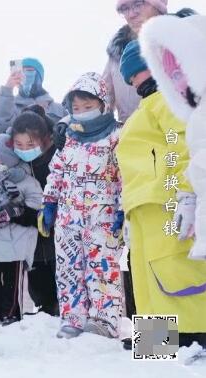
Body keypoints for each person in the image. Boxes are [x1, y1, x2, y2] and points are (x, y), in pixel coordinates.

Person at [129, 16, 206, 351]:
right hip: (140, 208)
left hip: (165, 203)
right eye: (130, 75)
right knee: (149, 285)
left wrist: (185, 196)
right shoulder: (146, 109)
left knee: (176, 278)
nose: (136, 80)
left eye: (140, 70)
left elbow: (184, 148)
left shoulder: (170, 104)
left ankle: (192, 340)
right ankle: (155, 346)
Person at [40, 72, 124, 339]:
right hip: (69, 216)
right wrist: (49, 203)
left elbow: (125, 174)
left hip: (102, 217)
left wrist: (123, 208)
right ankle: (73, 318)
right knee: (68, 270)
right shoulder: (69, 138)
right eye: (76, 108)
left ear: (103, 104)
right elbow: (56, 171)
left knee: (102, 269)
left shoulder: (117, 135)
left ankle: (105, 321)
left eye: (88, 107)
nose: (82, 113)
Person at [0, 105, 60, 317]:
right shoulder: (14, 161)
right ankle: (155, 346)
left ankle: (157, 347)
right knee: (40, 293)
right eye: (20, 144)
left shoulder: (59, 156)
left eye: (31, 144)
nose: (25, 149)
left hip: (58, 237)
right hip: (32, 241)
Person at [0, 133, 42, 325]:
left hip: (16, 239)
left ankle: (11, 309)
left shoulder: (27, 182)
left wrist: (17, 211)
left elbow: (37, 204)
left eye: (1, 161)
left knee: (12, 277)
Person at [0, 57, 66, 137]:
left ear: (40, 77)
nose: (25, 75)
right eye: (21, 72)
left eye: (29, 71)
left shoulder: (59, 109)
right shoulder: (10, 108)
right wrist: (7, 90)